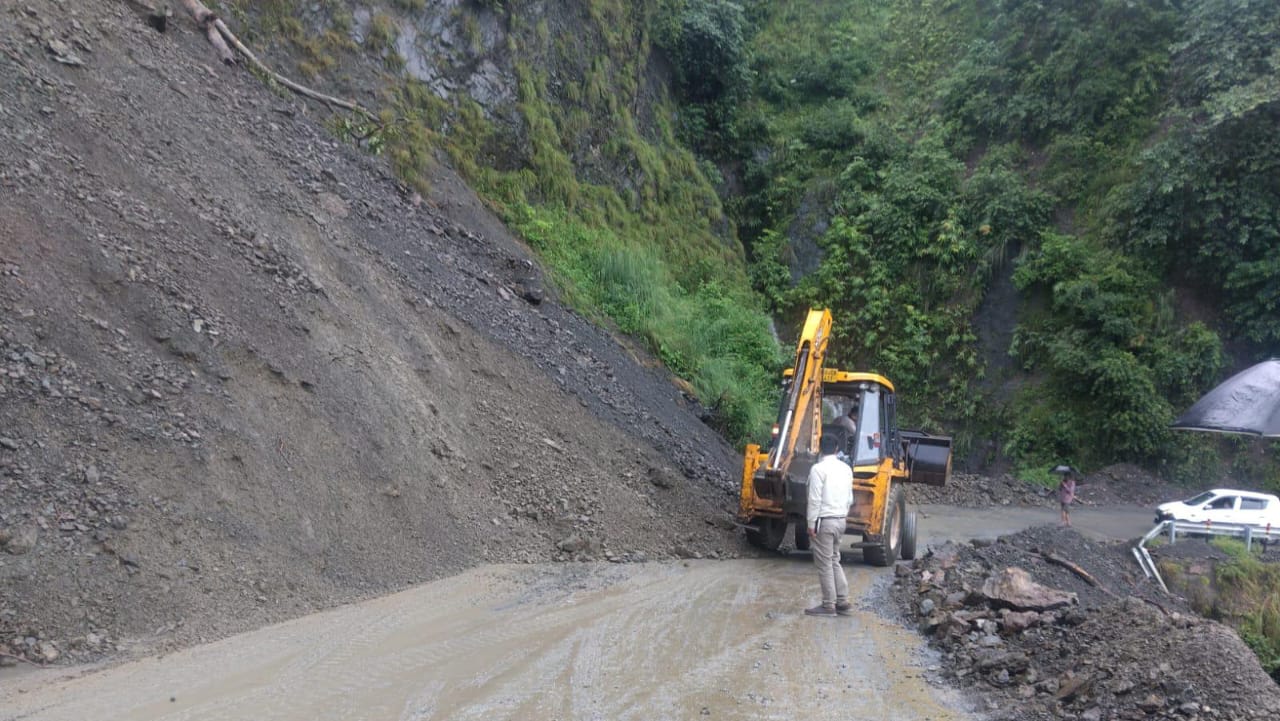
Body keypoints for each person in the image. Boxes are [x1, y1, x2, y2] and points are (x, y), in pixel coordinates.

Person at [805, 434, 855, 617]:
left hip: (825, 522)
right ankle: (842, 601)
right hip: (841, 520)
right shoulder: (846, 469)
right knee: (834, 559)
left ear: (820, 449)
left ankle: (828, 606)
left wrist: (811, 523)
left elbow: (814, 499)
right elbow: (850, 498)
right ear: (836, 449)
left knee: (824, 563)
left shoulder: (818, 469)